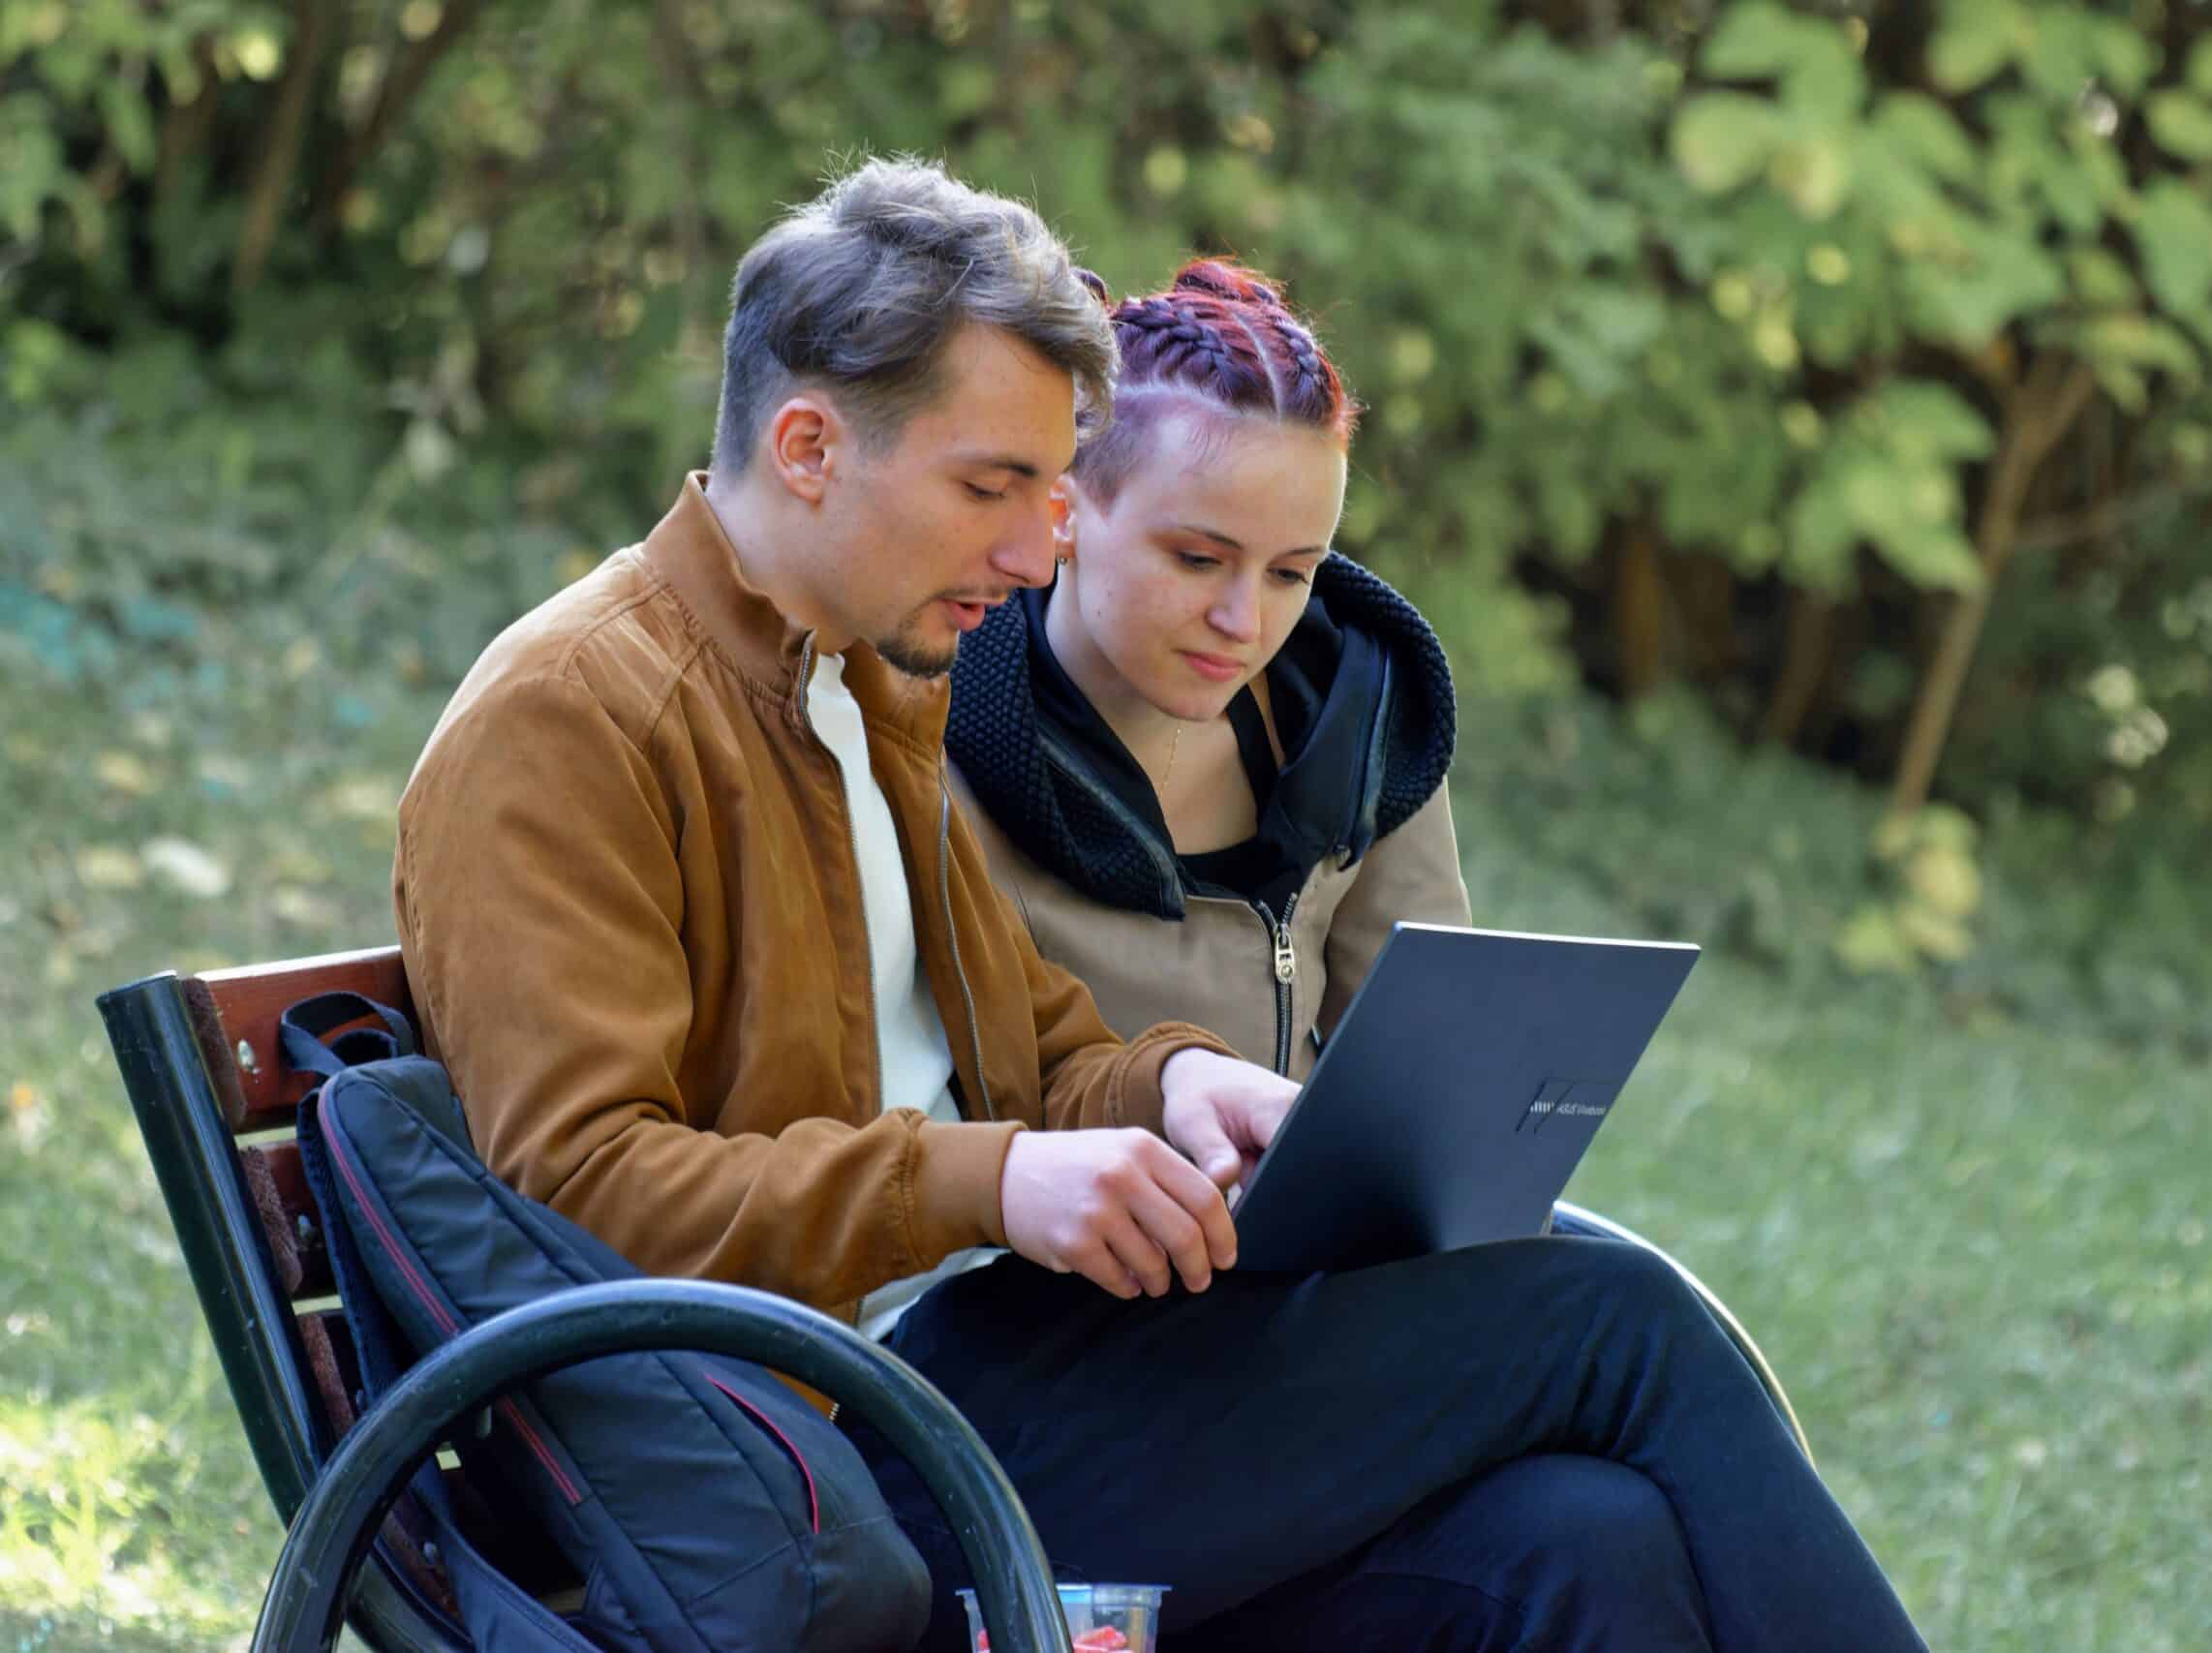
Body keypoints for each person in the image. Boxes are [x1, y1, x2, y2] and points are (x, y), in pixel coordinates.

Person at [395, 157, 1932, 1653]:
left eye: (1052, 491)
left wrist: (1185, 1084)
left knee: (1585, 1544)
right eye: (992, 485)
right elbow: (581, 1193)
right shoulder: (573, 715)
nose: (1030, 545)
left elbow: (1040, 1046)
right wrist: (990, 1182)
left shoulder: (857, 691)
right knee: (1617, 1317)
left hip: (963, 1396)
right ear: (806, 446)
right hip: (808, 1472)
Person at [945, 260, 1467, 1084]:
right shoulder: (926, 724)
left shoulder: (1362, 712)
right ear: (1064, 511)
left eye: (1291, 573)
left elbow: (1436, 1077)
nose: (1244, 621)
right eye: (1197, 558)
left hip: (1310, 1213)